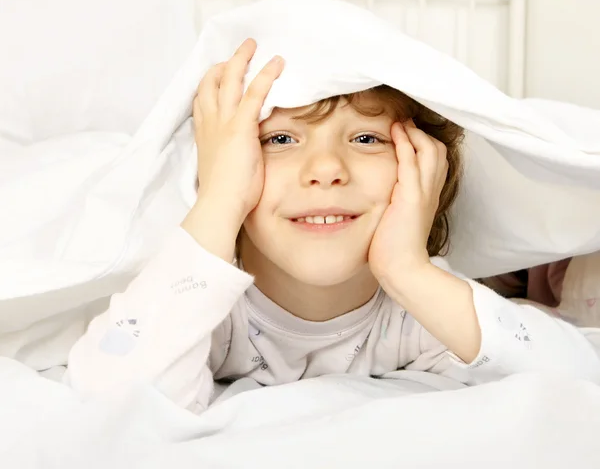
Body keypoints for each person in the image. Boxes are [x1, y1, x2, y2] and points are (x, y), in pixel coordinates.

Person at [65, 39, 600, 414]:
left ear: (422, 165)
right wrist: (219, 199)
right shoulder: (202, 296)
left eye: (367, 139)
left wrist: (409, 270)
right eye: (279, 139)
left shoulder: (419, 307)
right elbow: (110, 401)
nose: (325, 170)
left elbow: (578, 378)